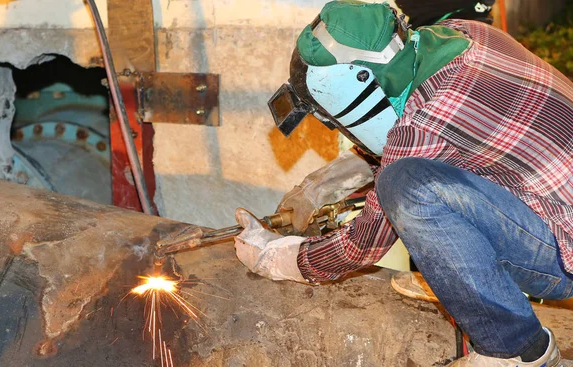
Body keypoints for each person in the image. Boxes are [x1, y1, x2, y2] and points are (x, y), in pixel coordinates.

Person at [233, 1, 573, 366]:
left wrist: (285, 258)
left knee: (407, 188)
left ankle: (517, 351)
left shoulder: (424, 121)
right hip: (554, 203)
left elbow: (364, 245)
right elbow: (452, 141)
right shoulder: (462, 32)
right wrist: (344, 174)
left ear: (353, 85)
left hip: (564, 252)